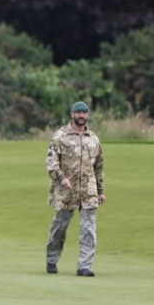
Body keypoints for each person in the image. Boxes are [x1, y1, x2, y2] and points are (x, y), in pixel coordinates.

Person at [45, 100, 105, 277]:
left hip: (88, 192)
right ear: (72, 115)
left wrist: (101, 191)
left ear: (88, 115)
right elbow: (51, 163)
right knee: (59, 228)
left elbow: (99, 166)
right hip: (66, 192)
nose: (81, 116)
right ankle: (51, 259)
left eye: (84, 113)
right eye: (78, 113)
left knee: (88, 230)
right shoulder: (60, 136)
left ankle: (84, 266)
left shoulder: (93, 139)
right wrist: (61, 178)